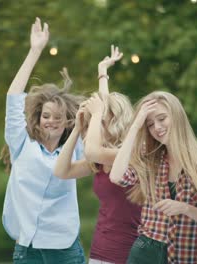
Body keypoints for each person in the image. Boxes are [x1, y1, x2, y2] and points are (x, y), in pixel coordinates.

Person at [0, 17, 85, 264]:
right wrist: (35, 50)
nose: (51, 121)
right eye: (46, 115)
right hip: (27, 249)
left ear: (68, 122)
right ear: (37, 119)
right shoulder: (21, 144)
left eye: (58, 117)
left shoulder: (75, 149)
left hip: (65, 249)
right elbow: (14, 97)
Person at [54, 46, 141, 264]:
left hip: (131, 252)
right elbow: (61, 171)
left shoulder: (129, 153)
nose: (96, 125)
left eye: (101, 120)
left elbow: (93, 148)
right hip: (101, 251)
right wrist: (76, 128)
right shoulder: (100, 162)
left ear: (115, 121)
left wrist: (97, 113)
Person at [109, 91, 197, 264]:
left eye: (162, 118)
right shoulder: (150, 158)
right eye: (149, 124)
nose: (156, 127)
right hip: (145, 252)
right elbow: (116, 176)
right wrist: (135, 126)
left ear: (177, 117)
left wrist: (185, 209)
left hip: (186, 257)